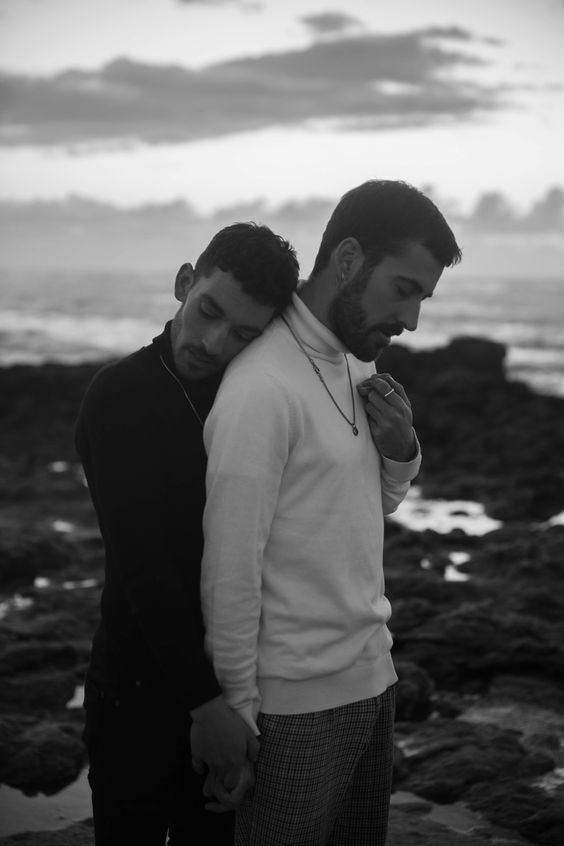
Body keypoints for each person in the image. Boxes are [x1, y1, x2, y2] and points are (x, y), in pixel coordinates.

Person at [200, 180, 462, 844]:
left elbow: (357, 513)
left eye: (423, 299)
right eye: (403, 290)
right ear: (348, 259)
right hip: (293, 709)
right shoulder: (262, 386)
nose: (411, 321)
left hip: (374, 679)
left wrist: (401, 452)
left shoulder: (350, 363)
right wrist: (238, 713)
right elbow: (230, 568)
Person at [75, 222, 300, 845]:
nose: (214, 341)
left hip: (235, 691)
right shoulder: (120, 395)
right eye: (208, 311)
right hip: (136, 690)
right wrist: (208, 710)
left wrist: (239, 708)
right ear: (183, 283)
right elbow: (144, 566)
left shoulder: (249, 397)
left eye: (243, 334)